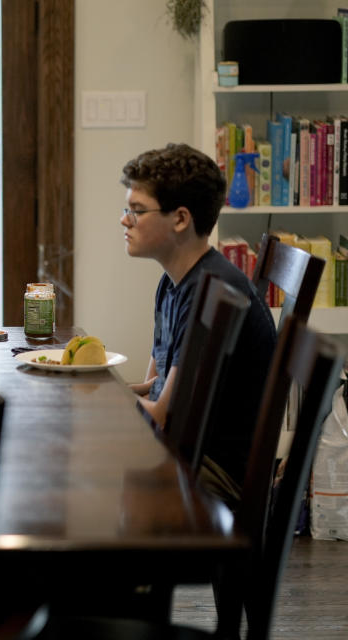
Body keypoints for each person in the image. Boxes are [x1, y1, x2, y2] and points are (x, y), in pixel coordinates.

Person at [121, 143, 276, 506]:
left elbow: (162, 417)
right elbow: (156, 386)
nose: (125, 220)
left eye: (137, 211)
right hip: (189, 448)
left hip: (213, 473)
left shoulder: (212, 292)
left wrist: (103, 402)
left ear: (180, 219)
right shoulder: (173, 282)